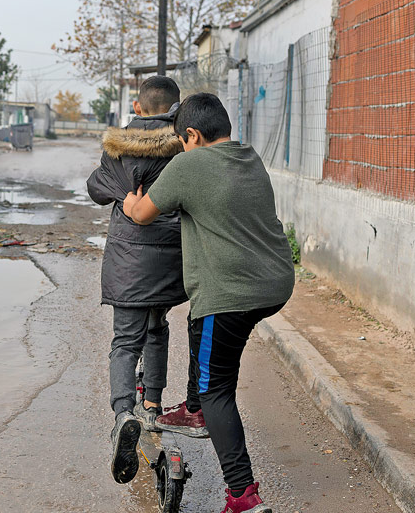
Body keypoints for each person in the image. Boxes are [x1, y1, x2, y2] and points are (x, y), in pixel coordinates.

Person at [122, 92, 295, 513]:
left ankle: (242, 496)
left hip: (232, 293)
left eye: (183, 140)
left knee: (218, 388)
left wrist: (129, 201)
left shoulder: (188, 163)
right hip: (274, 282)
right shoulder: (249, 158)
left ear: (193, 135)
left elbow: (143, 213)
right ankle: (196, 407)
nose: (182, 147)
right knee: (202, 334)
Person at [86, 76, 188, 485]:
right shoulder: (185, 148)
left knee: (125, 341)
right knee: (157, 328)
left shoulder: (117, 148)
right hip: (169, 258)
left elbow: (95, 186)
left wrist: (120, 192)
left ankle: (123, 413)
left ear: (139, 108)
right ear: (176, 109)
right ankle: (152, 404)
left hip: (128, 261)